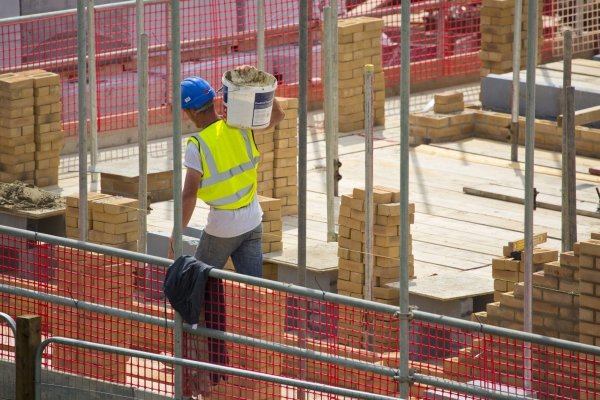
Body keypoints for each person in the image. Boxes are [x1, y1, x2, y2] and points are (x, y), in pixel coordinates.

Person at [168, 65, 285, 273]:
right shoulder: (241, 126)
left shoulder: (197, 145)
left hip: (222, 227)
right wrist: (256, 81)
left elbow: (188, 196)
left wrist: (175, 236)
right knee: (253, 291)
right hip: (252, 221)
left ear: (192, 112)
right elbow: (278, 113)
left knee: (197, 285)